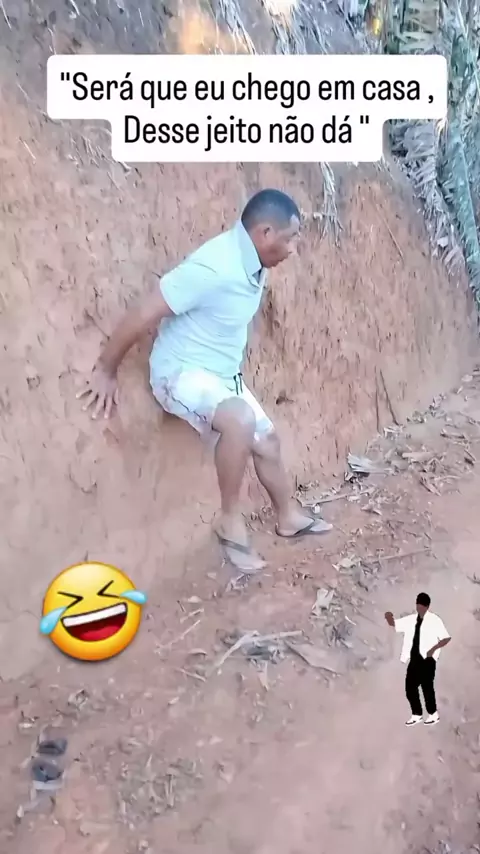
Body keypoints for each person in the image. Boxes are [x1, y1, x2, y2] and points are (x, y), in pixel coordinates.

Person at [78, 189, 332, 573]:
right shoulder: (213, 267)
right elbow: (146, 311)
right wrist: (106, 368)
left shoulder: (253, 260)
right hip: (179, 373)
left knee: (267, 441)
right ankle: (229, 522)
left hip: (220, 375)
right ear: (264, 233)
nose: (293, 249)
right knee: (239, 420)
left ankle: (288, 517)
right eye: (289, 238)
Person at [384, 593, 451, 727]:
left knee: (427, 687)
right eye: (418, 605)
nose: (419, 607)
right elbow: (395, 625)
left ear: (427, 606)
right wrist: (389, 617)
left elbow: (446, 638)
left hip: (428, 659)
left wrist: (433, 649)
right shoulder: (411, 620)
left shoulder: (434, 620)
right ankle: (417, 714)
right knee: (410, 687)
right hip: (414, 658)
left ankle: (433, 714)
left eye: (422, 605)